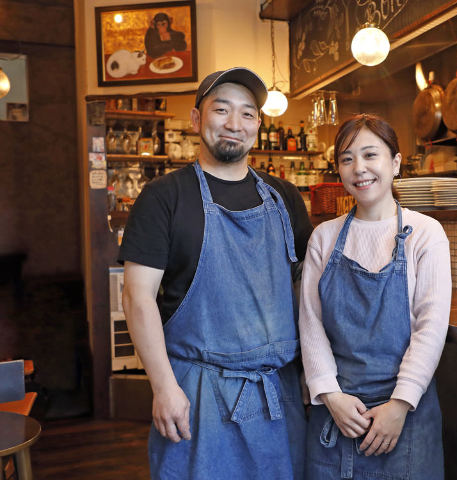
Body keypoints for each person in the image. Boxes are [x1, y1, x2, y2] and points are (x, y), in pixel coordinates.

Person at [120, 67, 312, 480]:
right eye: (221, 109)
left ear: (258, 126)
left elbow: (302, 294)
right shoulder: (163, 197)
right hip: (197, 394)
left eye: (247, 114)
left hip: (278, 392)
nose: (233, 124)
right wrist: (162, 386)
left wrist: (314, 375)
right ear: (195, 119)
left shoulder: (285, 198)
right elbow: (137, 298)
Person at [299, 114, 451, 479]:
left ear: (395, 163)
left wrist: (399, 403)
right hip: (337, 412)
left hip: (405, 414)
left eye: (370, 155)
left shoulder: (425, 234)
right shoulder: (323, 236)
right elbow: (310, 322)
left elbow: (430, 328)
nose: (359, 169)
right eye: (347, 159)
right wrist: (330, 395)